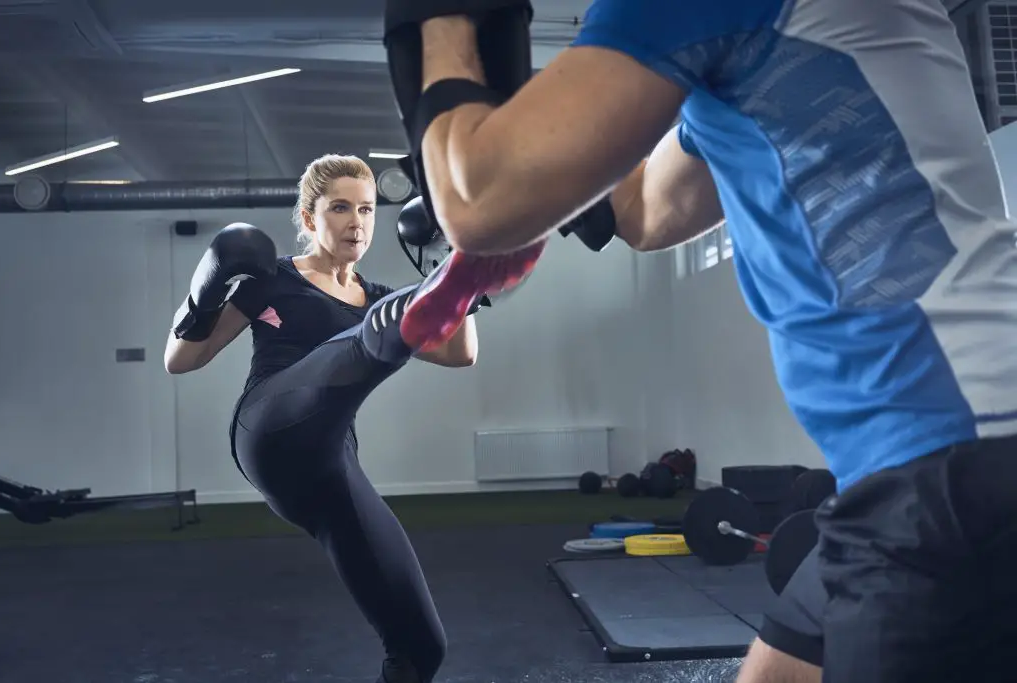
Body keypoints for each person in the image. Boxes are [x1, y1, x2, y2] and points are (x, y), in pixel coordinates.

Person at [381, 1, 1017, 682]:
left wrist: (438, 21)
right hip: (937, 452)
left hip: (948, 461)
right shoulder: (775, 38)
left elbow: (476, 199)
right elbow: (646, 207)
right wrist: (542, 196)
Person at [163, 153, 481, 683]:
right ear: (310, 219)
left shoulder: (372, 299)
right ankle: (429, 295)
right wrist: (204, 290)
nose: (356, 221)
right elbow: (182, 360)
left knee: (422, 647)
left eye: (367, 209)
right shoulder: (273, 279)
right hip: (269, 426)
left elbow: (459, 354)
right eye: (340, 208)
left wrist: (452, 271)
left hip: (330, 464)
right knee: (379, 332)